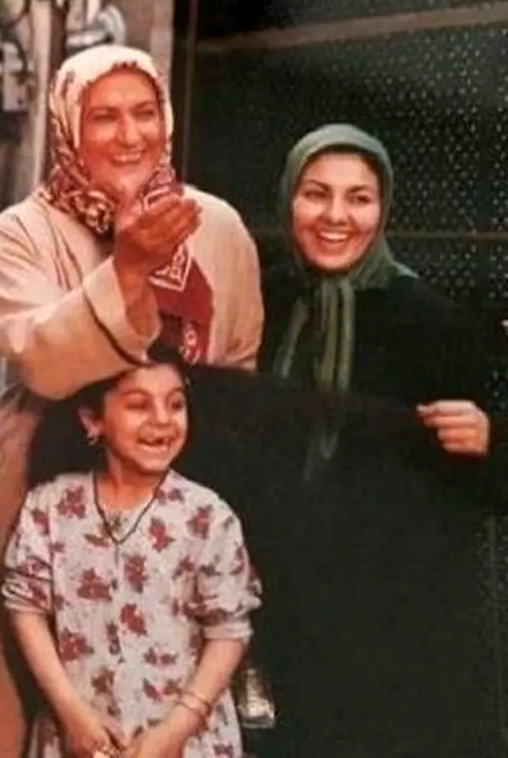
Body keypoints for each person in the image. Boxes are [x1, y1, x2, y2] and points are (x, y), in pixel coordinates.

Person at [0, 44, 264, 758]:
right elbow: (41, 360)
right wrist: (127, 269)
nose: (129, 136)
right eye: (104, 117)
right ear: (68, 128)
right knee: (29, 697)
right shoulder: (24, 230)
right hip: (45, 482)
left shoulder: (217, 226)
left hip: (181, 495)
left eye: (144, 114)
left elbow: (237, 374)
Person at [183, 123, 508, 756]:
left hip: (397, 620)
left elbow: (482, 493)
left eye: (359, 198)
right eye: (316, 193)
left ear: (384, 208)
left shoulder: (433, 322)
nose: (336, 216)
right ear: (289, 199)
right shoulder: (260, 304)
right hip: (280, 604)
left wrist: (491, 439)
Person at [5, 359, 260, 758]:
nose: (162, 420)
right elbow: (25, 608)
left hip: (183, 741)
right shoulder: (51, 506)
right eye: (139, 405)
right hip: (82, 737)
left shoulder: (207, 516)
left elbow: (229, 631)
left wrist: (175, 732)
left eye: (175, 404)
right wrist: (71, 714)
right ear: (93, 420)